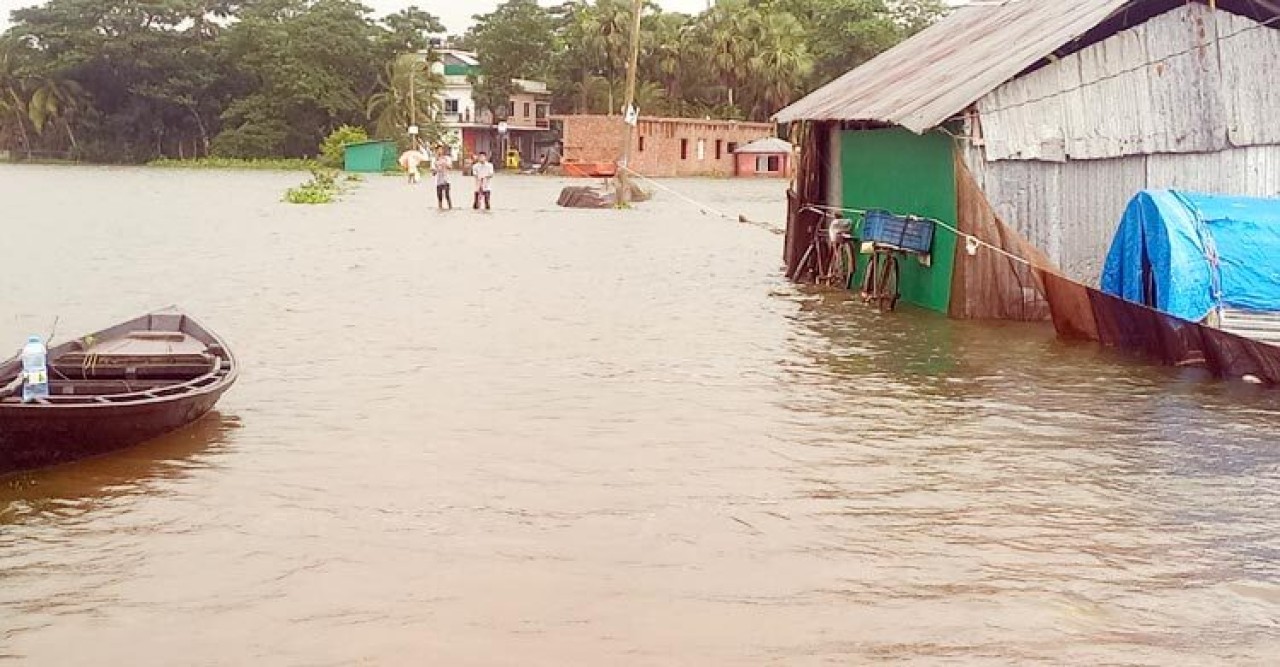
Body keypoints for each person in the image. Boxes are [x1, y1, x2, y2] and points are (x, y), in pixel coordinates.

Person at [431, 145, 453, 210]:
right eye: (438, 150)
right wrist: (437, 168)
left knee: (447, 195)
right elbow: (433, 173)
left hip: (446, 180)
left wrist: (445, 164)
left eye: (441, 150)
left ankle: (450, 208)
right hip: (438, 181)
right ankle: (440, 208)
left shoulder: (447, 158)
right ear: (436, 151)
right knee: (439, 197)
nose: (440, 151)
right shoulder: (434, 160)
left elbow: (450, 168)